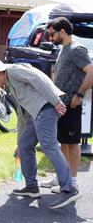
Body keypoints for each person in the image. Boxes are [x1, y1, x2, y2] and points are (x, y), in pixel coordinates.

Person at [0, 59, 81, 209]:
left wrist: (55, 101)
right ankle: (31, 187)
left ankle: (69, 189)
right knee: (24, 145)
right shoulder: (10, 84)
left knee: (49, 146)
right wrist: (18, 141)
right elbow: (21, 115)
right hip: (35, 114)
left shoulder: (13, 71)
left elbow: (38, 79)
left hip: (46, 108)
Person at [40, 17, 93, 193]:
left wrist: (79, 95)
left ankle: (73, 181)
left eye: (52, 34)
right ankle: (62, 177)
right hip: (60, 105)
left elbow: (91, 72)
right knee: (62, 142)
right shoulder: (64, 49)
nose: (50, 37)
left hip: (72, 105)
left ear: (63, 32)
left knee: (72, 143)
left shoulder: (77, 49)